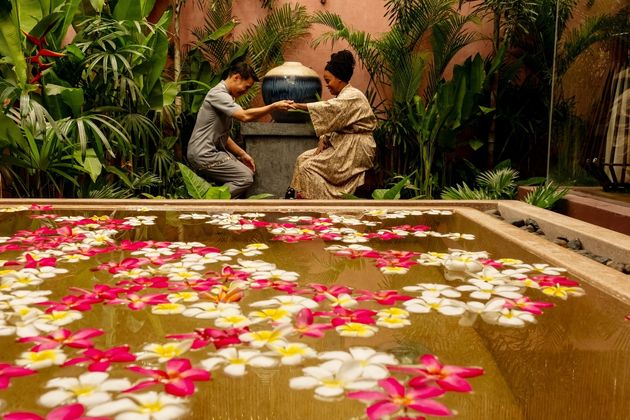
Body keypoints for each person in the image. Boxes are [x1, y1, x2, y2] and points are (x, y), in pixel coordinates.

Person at [187, 62, 293, 197]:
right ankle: (209, 203)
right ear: (236, 77)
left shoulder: (225, 96)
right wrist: (273, 107)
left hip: (208, 152)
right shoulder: (218, 94)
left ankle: (216, 208)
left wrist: (242, 154)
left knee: (246, 174)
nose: (246, 91)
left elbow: (223, 136)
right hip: (203, 154)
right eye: (247, 87)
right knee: (244, 177)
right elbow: (244, 116)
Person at [287, 50, 377, 199]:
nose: (327, 85)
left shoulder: (352, 96)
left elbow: (329, 108)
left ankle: (323, 204)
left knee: (308, 168)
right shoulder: (344, 95)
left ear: (340, 79)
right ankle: (302, 197)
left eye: (328, 80)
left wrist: (297, 105)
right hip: (343, 145)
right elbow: (336, 121)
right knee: (302, 158)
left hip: (355, 149)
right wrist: (324, 137)